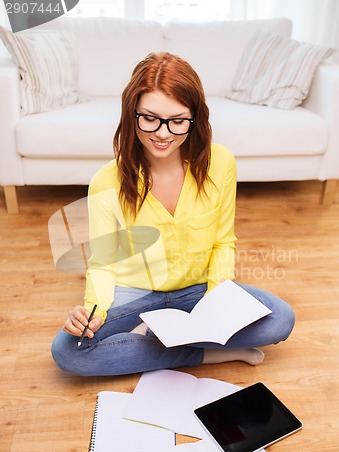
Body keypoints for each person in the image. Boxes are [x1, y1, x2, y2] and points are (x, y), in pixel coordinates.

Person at [51, 52, 295, 376]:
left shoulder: (221, 163)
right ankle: (202, 355)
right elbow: (103, 264)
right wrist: (92, 312)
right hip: (135, 295)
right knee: (69, 352)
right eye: (149, 118)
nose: (163, 133)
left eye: (178, 120)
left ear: (195, 118)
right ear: (131, 114)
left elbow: (223, 242)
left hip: (198, 290)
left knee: (280, 318)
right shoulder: (105, 183)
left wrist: (218, 302)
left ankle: (153, 343)